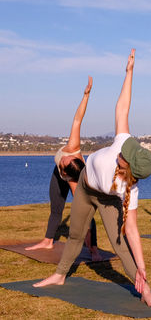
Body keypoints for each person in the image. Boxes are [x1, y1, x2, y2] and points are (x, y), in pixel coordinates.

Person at [34, 49, 151, 307]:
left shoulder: (128, 189)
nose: (121, 153)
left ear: (129, 168)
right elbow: (123, 107)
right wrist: (129, 73)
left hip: (106, 199)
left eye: (124, 157)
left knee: (119, 244)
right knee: (75, 234)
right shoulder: (125, 142)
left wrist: (142, 266)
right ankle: (59, 275)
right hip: (84, 187)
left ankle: (145, 290)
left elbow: (132, 231)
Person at [26, 77, 101, 261]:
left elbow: (85, 213)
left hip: (74, 180)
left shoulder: (75, 180)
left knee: (85, 212)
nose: (63, 159)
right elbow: (78, 118)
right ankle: (48, 240)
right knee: (56, 208)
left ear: (67, 173)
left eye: (63, 164)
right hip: (58, 177)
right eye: (65, 160)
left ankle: (94, 249)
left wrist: (91, 246)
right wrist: (86, 96)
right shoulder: (73, 146)